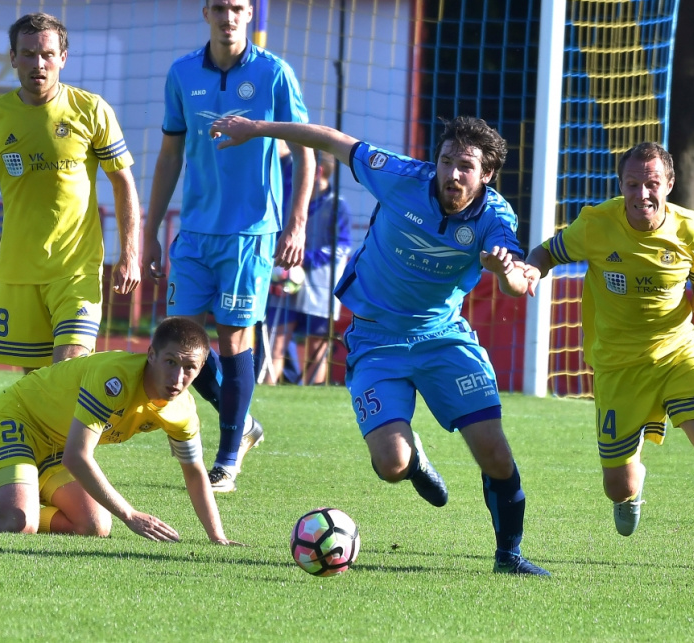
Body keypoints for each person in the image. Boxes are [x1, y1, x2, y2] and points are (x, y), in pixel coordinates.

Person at [209, 113, 550, 576]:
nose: (452, 174)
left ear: (486, 174)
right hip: (375, 338)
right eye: (446, 161)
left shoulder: (496, 216)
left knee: (493, 450)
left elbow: (515, 281)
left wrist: (507, 271)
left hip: (442, 337)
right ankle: (415, 459)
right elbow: (332, 140)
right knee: (392, 464)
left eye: (466, 166)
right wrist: (257, 129)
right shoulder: (400, 176)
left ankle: (509, 555)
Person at [526, 142, 694, 591]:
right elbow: (546, 253)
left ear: (669, 184)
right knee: (617, 486)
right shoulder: (595, 224)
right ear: (621, 185)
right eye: (632, 184)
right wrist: (531, 272)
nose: (642, 195)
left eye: (651, 184)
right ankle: (631, 487)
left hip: (679, 353)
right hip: (618, 367)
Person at [142, 0, 315, 494]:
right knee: (180, 343)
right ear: (206, 13)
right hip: (195, 231)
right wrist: (150, 230)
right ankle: (245, 426)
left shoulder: (274, 73)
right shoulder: (181, 73)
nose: (228, 16)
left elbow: (307, 151)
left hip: (250, 233)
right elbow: (170, 154)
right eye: (219, 7)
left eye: (237, 7)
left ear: (249, 14)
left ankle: (227, 458)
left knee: (234, 340)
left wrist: (297, 223)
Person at [0, 12, 141, 373]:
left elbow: (123, 182)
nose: (38, 64)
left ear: (63, 58)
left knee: (67, 371)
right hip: (19, 272)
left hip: (77, 270)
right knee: (37, 384)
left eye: (47, 54)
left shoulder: (91, 109)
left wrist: (130, 253)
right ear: (13, 58)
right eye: (27, 54)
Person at [0, 317, 240, 545]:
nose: (178, 377)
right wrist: (130, 514)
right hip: (17, 419)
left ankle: (24, 503)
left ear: (200, 369)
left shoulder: (183, 412)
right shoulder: (115, 379)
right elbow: (78, 457)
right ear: (151, 355)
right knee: (17, 523)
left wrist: (218, 537)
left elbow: (195, 473)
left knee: (94, 526)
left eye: (189, 368)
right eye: (170, 362)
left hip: (58, 443)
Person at [264, 150, 352, 385]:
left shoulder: (337, 205)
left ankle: (312, 392)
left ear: (318, 171)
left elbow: (342, 247)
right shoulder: (288, 200)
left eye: (301, 166)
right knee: (275, 344)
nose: (294, 172)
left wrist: (303, 258)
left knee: (317, 349)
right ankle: (264, 391)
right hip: (285, 281)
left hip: (320, 288)